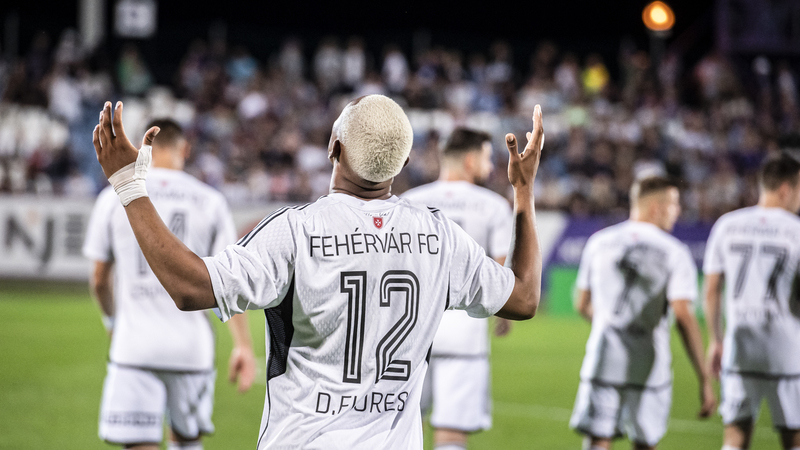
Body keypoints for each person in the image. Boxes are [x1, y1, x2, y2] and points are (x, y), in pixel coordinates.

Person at [89, 95, 544, 449]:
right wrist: (523, 193)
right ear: (403, 164)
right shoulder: (440, 236)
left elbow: (191, 288)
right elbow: (523, 298)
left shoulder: (296, 230)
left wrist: (128, 185)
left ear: (333, 148)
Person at [83, 118, 257, 450]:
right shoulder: (210, 200)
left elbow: (99, 278)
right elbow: (229, 282)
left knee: (138, 443)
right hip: (191, 350)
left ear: (142, 147)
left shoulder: (113, 197)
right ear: (184, 149)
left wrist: (112, 321)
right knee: (187, 442)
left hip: (134, 346)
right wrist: (243, 346)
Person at [569, 176, 716, 450]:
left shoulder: (599, 242)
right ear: (656, 208)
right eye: (674, 204)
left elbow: (581, 304)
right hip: (649, 365)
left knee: (598, 440)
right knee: (645, 443)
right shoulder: (674, 251)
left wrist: (611, 324)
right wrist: (704, 378)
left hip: (603, 358)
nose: (678, 211)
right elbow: (683, 316)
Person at [403, 127, 512, 450]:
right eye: (487, 158)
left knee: (401, 428)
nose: (490, 166)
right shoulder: (493, 205)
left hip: (410, 331)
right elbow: (501, 271)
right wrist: (505, 315)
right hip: (465, 331)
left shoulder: (410, 202)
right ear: (469, 160)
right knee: (452, 431)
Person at [704, 153, 800, 450]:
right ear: (786, 189)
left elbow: (712, 289)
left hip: (739, 345)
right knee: (794, 437)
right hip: (786, 347)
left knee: (735, 436)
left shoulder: (727, 225)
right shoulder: (796, 229)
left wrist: (715, 340)